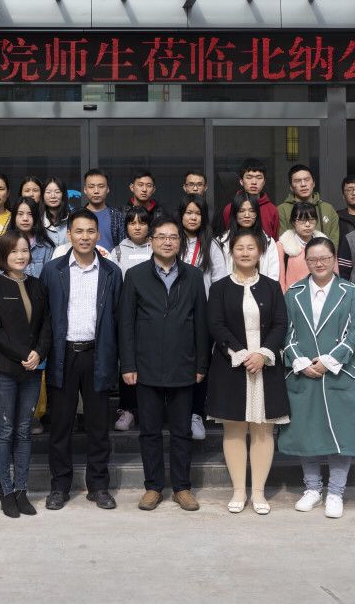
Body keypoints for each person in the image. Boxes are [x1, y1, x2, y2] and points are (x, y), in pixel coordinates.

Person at [119, 216, 210, 512]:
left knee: (182, 431)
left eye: (173, 237)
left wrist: (201, 365)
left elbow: (201, 323)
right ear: (151, 241)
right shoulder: (135, 275)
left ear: (180, 242)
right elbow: (126, 324)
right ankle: (153, 487)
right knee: (150, 431)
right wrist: (128, 364)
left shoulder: (193, 276)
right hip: (146, 366)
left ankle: (182, 487)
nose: (167, 242)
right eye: (161, 237)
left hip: (184, 365)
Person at [278, 237, 355, 519]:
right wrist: (301, 361)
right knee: (307, 430)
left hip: (339, 372)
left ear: (334, 260)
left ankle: (336, 492)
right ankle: (313, 488)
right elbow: (285, 332)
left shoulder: (350, 293)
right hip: (303, 371)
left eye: (324, 258)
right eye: (313, 259)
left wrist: (329, 361)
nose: (319, 263)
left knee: (342, 431)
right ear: (305, 261)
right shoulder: (293, 293)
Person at [41, 209, 122, 511]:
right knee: (61, 425)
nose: (85, 237)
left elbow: (118, 317)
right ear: (69, 235)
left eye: (90, 231)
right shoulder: (53, 270)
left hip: (97, 354)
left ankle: (98, 486)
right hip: (62, 355)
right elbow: (45, 316)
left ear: (98, 235)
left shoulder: (111, 272)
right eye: (79, 231)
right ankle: (59, 486)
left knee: (98, 426)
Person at [206, 227, 289, 514]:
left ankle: (259, 493)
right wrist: (241, 354)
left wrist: (263, 354)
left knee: (263, 430)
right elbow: (216, 325)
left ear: (260, 252)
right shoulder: (219, 288)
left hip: (265, 364)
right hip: (231, 364)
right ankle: (239, 491)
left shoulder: (271, 286)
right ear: (231, 252)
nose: (245, 252)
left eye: (250, 248)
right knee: (234, 429)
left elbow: (281, 324)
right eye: (239, 248)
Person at [0, 232, 52, 518]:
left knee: (24, 430)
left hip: (32, 371)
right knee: (4, 430)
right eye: (14, 251)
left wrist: (39, 353)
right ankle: (6, 490)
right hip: (3, 370)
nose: (20, 256)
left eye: (24, 250)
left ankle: (22, 490)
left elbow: (47, 323)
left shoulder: (37, 285)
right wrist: (24, 354)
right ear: (3, 255)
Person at [110, 205, 153, 432]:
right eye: (132, 222)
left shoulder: (156, 248)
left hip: (153, 316)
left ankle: (149, 410)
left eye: (142, 222)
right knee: (127, 363)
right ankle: (127, 410)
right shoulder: (117, 251)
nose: (137, 227)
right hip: (128, 316)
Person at [178, 192, 215, 440]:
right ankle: (179, 413)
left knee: (200, 366)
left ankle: (196, 414)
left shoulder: (212, 245)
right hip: (175, 314)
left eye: (197, 213)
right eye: (189, 212)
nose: (193, 217)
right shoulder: (171, 240)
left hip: (203, 315)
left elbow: (219, 281)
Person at [210, 192, 283, 288]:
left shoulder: (268, 241)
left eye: (252, 211)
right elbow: (218, 275)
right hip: (229, 292)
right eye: (241, 211)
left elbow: (273, 275)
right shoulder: (221, 241)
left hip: (261, 292)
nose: (247, 215)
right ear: (235, 213)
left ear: (257, 214)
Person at [277, 164, 339, 245]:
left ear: (313, 183)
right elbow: (283, 241)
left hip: (325, 252)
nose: (303, 184)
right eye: (297, 181)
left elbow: (334, 241)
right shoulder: (282, 209)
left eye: (307, 179)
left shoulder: (328, 208)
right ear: (291, 187)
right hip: (293, 252)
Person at [220, 158, 280, 239]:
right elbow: (226, 238)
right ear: (241, 181)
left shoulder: (272, 210)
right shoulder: (230, 208)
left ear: (264, 182)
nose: (254, 182)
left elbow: (275, 240)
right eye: (249, 177)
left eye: (259, 177)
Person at [277, 202, 328, 292]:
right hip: (293, 296)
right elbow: (280, 278)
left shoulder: (325, 245)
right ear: (293, 222)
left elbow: (334, 273)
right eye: (302, 220)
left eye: (311, 220)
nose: (307, 224)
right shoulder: (283, 246)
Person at [10, 196, 56, 278]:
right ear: (14, 217)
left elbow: (48, 278)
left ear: (35, 217)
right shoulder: (5, 243)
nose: (25, 218)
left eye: (30, 214)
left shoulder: (46, 247)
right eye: (20, 214)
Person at [82, 168, 124, 250]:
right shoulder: (76, 216)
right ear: (85, 190)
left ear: (107, 189)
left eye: (101, 186)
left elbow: (122, 246)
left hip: (112, 258)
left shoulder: (117, 216)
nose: (96, 191)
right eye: (91, 187)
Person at [42, 177, 71, 248]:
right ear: (43, 195)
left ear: (63, 195)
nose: (53, 196)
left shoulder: (72, 219)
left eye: (57, 192)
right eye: (48, 192)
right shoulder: (37, 220)